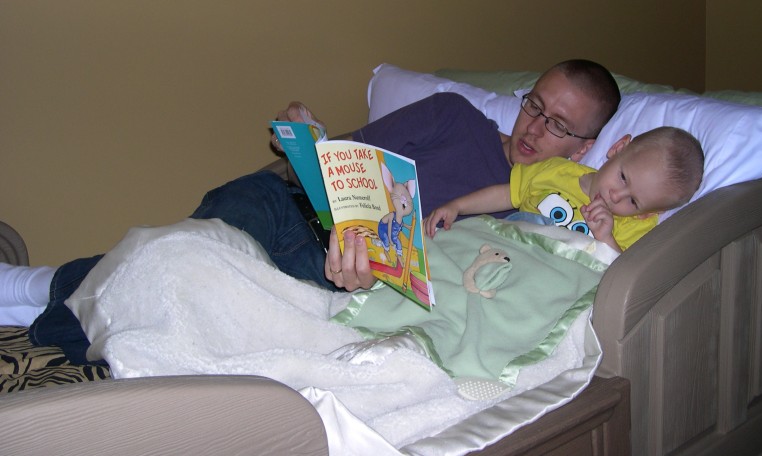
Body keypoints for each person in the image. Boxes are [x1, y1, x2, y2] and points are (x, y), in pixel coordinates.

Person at [1, 59, 621, 364]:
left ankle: (38, 300)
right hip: (287, 205)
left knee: (180, 279)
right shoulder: (455, 116)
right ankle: (34, 294)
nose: (534, 127)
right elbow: (350, 155)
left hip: (327, 276)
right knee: (198, 243)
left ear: (585, 147)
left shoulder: (527, 224)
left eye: (558, 124)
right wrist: (307, 136)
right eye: (534, 105)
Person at [424, 126, 705, 252]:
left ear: (646, 214)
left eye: (633, 202)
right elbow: (506, 193)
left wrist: (606, 239)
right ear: (619, 148)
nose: (615, 196)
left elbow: (622, 278)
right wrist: (457, 206)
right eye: (622, 177)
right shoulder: (557, 170)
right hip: (505, 250)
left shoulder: (632, 229)